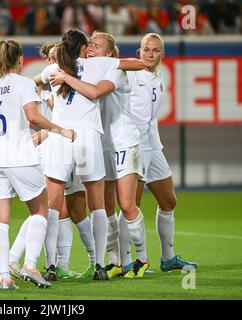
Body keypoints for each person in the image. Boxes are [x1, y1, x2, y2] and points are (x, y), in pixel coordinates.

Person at [0, 39, 75, 290]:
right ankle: (30, 264)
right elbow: (33, 118)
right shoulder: (24, 83)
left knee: (0, 220)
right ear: (19, 60)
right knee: (39, 210)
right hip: (21, 158)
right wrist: (61, 129)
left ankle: (4, 276)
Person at [41, 28, 145, 280]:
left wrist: (58, 81)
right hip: (87, 136)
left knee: (53, 205)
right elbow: (138, 63)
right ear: (83, 47)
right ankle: (100, 265)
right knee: (96, 204)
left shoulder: (53, 69)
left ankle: (51, 265)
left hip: (60, 136)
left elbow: (35, 82)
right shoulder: (100, 64)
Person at [128, 33, 198, 272]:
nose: (150, 54)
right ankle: (128, 261)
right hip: (135, 145)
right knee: (131, 205)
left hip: (153, 145)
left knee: (168, 201)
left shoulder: (159, 78)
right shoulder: (129, 74)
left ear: (162, 54)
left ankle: (167, 258)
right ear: (139, 52)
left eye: (155, 50)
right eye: (146, 49)